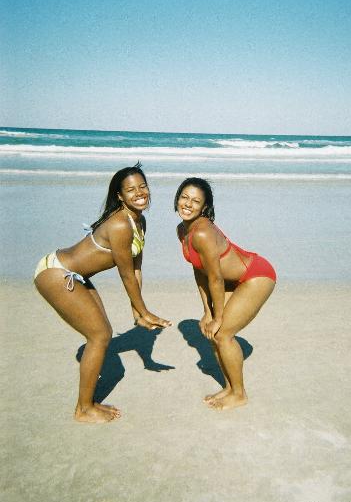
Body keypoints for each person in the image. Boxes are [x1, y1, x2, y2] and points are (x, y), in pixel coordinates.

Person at [34, 163, 171, 423]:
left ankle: (88, 404)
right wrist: (145, 311)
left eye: (143, 186)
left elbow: (136, 268)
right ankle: (83, 409)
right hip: (57, 272)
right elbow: (125, 275)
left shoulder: (139, 221)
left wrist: (137, 313)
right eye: (131, 189)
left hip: (75, 275)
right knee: (99, 335)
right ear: (120, 196)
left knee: (103, 333)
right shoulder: (120, 224)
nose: (139, 192)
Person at [175, 177, 276, 410]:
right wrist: (207, 312)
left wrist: (218, 317)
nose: (188, 204)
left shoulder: (202, 233)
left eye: (195, 201)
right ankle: (229, 388)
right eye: (184, 197)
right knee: (213, 334)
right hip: (230, 279)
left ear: (204, 207)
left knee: (222, 334)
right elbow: (200, 271)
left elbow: (215, 278)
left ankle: (239, 394)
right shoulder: (182, 230)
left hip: (256, 275)